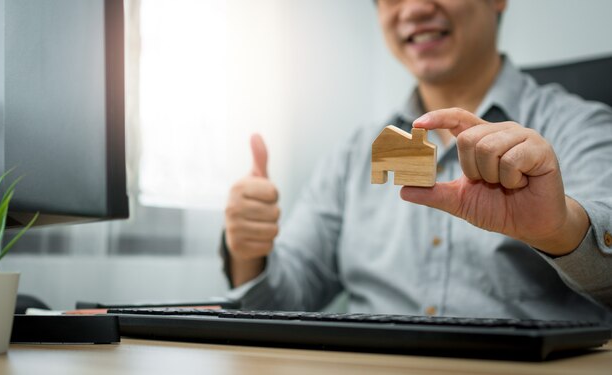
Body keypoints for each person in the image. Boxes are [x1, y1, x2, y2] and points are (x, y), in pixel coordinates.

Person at [221, 0, 612, 322]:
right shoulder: (355, 153)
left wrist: (560, 229)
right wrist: (248, 251)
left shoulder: (581, 126)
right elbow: (282, 303)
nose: (413, 9)